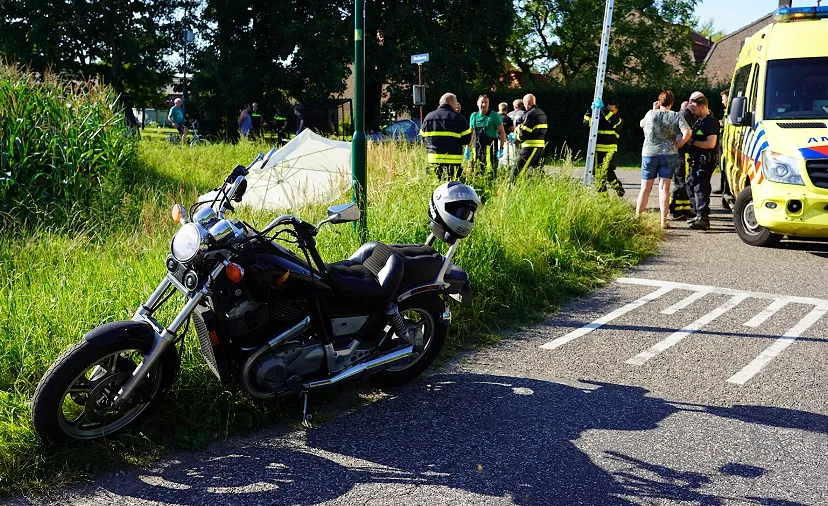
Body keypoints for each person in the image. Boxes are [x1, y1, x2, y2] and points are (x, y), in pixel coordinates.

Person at [636, 90, 692, 229]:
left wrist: (653, 109)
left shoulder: (650, 114)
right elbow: (687, 132)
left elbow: (642, 124)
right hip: (669, 153)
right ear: (672, 103)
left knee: (645, 188)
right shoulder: (676, 116)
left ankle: (637, 217)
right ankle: (663, 221)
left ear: (659, 101)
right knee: (664, 188)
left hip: (649, 153)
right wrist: (679, 144)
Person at [685, 95, 720, 230]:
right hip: (696, 160)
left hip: (705, 161)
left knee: (700, 188)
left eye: (694, 109)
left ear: (702, 107)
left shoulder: (710, 122)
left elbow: (710, 144)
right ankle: (698, 214)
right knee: (691, 185)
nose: (692, 112)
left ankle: (703, 218)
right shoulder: (699, 120)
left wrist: (692, 142)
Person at [421, 93, 472, 180]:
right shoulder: (459, 118)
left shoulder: (428, 117)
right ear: (450, 102)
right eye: (455, 103)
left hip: (434, 162)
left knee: (435, 188)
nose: (456, 106)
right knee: (453, 189)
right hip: (453, 163)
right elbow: (467, 140)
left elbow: (423, 138)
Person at [582, 98, 624, 196]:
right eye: (607, 110)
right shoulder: (599, 120)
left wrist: (603, 110)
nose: (608, 113)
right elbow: (586, 122)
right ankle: (603, 199)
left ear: (616, 110)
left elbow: (612, 121)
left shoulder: (618, 120)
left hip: (610, 152)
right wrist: (590, 110)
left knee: (608, 172)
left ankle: (617, 187)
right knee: (598, 175)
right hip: (597, 152)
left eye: (611, 111)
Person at [468, 94, 507, 178]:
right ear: (477, 103)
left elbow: (502, 132)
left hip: (490, 149)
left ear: (488, 104)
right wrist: (468, 148)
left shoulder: (494, 115)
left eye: (486, 102)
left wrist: (501, 148)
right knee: (476, 169)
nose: (484, 105)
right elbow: (471, 133)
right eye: (482, 102)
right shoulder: (473, 116)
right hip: (476, 149)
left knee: (490, 171)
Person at [511, 93, 548, 183]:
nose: (524, 106)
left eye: (524, 103)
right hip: (539, 146)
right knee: (538, 171)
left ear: (527, 102)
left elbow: (524, 133)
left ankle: (510, 188)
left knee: (517, 169)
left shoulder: (531, 114)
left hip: (530, 147)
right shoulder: (542, 113)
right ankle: (542, 189)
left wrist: (516, 140)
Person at [670, 100, 696, 220]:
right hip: (681, 154)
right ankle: (676, 209)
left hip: (684, 153)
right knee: (681, 181)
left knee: (685, 181)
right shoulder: (684, 115)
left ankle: (685, 208)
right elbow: (684, 134)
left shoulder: (688, 115)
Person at [719, 89, 733, 210]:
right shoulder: (727, 111)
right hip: (723, 143)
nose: (722, 101)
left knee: (726, 169)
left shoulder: (732, 111)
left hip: (728, 145)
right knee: (722, 169)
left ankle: (727, 194)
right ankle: (724, 192)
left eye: (723, 98)